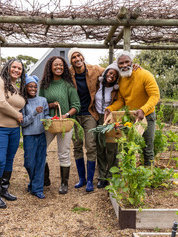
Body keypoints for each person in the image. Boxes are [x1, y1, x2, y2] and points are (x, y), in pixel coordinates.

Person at [105, 51, 160, 166]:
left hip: (147, 116)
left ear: (132, 62)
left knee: (147, 148)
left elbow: (155, 96)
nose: (124, 65)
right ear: (117, 65)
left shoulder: (145, 75)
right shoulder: (121, 79)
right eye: (121, 63)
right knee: (128, 148)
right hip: (131, 117)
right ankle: (129, 175)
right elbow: (121, 100)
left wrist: (143, 110)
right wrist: (110, 108)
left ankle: (149, 176)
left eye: (127, 62)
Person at [0, 59, 27, 209]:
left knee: (9, 160)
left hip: (14, 130)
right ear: (7, 67)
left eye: (20, 68)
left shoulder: (16, 87)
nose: (17, 70)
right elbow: (1, 103)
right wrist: (17, 115)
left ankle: (4, 189)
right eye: (14, 67)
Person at [39, 56, 81, 194]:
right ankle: (45, 179)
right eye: (56, 65)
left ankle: (64, 183)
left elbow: (76, 105)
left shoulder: (68, 85)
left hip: (64, 123)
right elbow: (40, 104)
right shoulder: (45, 85)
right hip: (49, 122)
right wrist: (50, 105)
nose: (59, 67)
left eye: (61, 65)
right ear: (50, 67)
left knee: (64, 152)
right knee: (41, 149)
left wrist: (66, 115)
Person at [68, 48, 104, 192]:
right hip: (75, 115)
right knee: (77, 146)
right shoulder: (68, 74)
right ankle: (81, 178)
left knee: (91, 145)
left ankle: (90, 180)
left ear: (82, 56)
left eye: (79, 55)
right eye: (74, 57)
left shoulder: (94, 69)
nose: (77, 59)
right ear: (71, 61)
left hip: (90, 113)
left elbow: (112, 70)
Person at [21, 75, 50, 199]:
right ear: (26, 88)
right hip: (29, 136)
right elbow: (23, 122)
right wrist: (34, 113)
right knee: (29, 163)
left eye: (34, 86)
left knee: (40, 162)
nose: (33, 89)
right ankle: (34, 184)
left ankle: (37, 189)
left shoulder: (43, 100)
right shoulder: (23, 102)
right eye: (30, 86)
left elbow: (47, 115)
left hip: (41, 134)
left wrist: (49, 120)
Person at [94, 62, 120, 188]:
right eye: (110, 73)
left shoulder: (117, 89)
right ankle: (102, 176)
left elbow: (120, 102)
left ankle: (112, 176)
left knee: (112, 148)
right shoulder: (97, 84)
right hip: (98, 118)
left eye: (115, 75)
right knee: (100, 148)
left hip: (111, 119)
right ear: (105, 73)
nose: (112, 76)